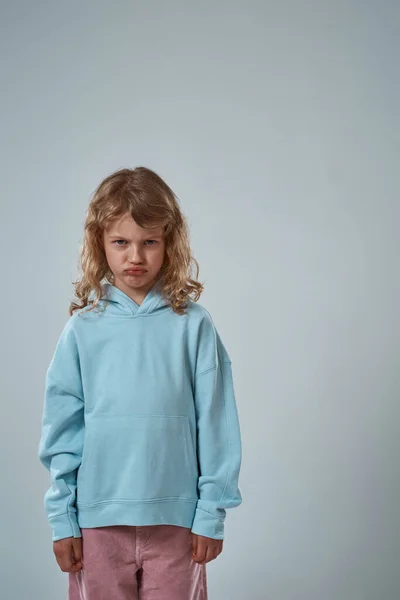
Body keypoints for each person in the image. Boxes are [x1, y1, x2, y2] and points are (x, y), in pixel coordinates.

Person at [38, 166, 243, 600]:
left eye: (149, 241)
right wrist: (63, 519)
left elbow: (217, 423)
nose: (136, 256)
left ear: (170, 244)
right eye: (121, 242)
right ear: (101, 244)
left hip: (178, 523)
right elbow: (62, 432)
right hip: (97, 524)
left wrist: (211, 513)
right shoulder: (81, 330)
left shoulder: (194, 327)